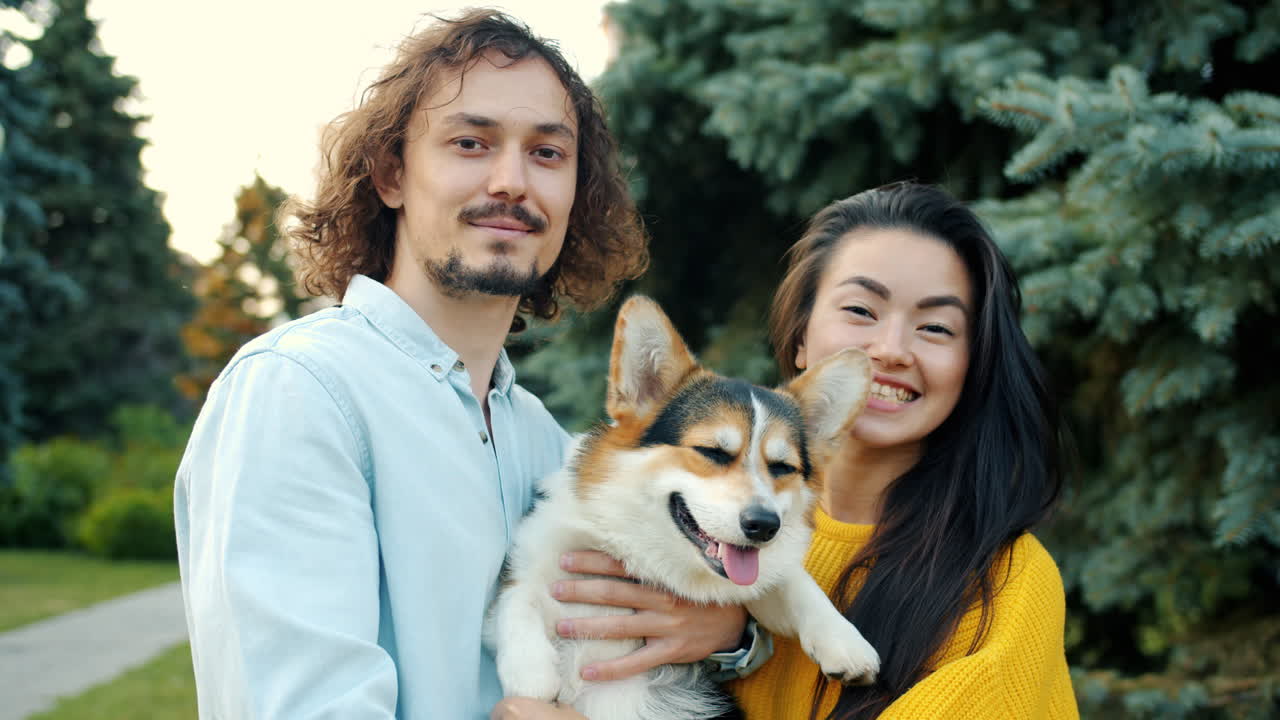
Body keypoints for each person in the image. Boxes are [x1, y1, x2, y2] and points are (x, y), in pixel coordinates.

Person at [174, 10, 748, 720]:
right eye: (470, 143)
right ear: (391, 175)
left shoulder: (541, 437)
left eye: (547, 153)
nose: (511, 181)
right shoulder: (298, 390)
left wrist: (732, 634)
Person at [726, 181, 1079, 718]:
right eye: (861, 310)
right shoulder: (707, 528)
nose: (891, 350)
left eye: (935, 327)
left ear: (972, 366)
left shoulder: (1006, 584)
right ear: (800, 337)